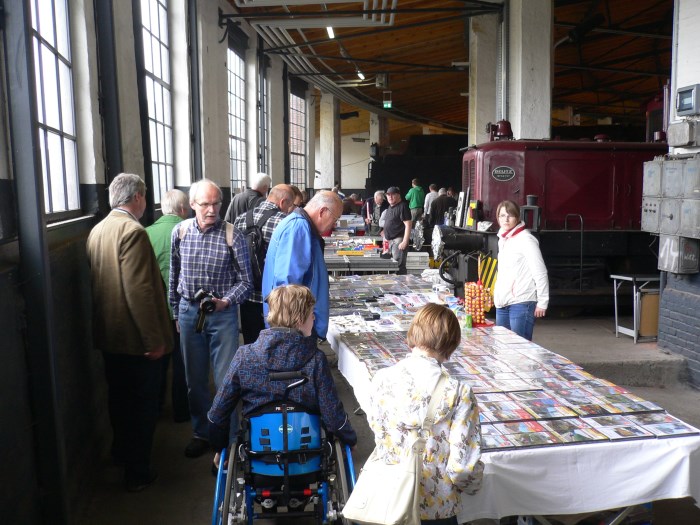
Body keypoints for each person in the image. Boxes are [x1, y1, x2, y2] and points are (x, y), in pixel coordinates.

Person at [86, 173, 173, 492]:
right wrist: (154, 340)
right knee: (142, 406)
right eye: (145, 196)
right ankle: (138, 471)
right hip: (136, 340)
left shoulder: (98, 230)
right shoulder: (132, 232)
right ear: (137, 197)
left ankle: (121, 452)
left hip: (110, 336)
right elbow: (140, 291)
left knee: (119, 399)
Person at [208, 284, 357, 461]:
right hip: (307, 455)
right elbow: (333, 415)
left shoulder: (244, 356)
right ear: (299, 319)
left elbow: (218, 413)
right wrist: (350, 439)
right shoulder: (316, 359)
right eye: (312, 313)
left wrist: (220, 448)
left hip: (258, 454)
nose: (314, 318)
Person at [368, 303, 483, 524]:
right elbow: (461, 468)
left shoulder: (381, 378)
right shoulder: (458, 392)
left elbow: (379, 433)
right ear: (451, 343)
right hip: (437, 508)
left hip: (390, 499)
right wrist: (477, 485)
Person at [169, 179, 253, 459]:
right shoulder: (180, 233)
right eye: (205, 204)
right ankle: (201, 432)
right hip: (189, 312)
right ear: (192, 205)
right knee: (194, 381)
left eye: (216, 203)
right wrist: (176, 313)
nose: (212, 209)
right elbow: (174, 277)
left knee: (226, 379)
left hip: (222, 314)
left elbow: (246, 282)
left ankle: (228, 442)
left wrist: (225, 301)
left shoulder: (233, 235)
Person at [262, 191, 343, 340]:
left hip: (298, 325)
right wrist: (296, 330)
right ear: (323, 211)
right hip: (295, 329)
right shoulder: (298, 227)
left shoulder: (299, 224)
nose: (334, 224)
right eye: (335, 218)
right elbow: (288, 286)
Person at [145, 188, 191, 423]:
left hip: (156, 310)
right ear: (183, 208)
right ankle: (182, 411)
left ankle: (156, 408)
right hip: (184, 307)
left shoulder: (146, 234)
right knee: (183, 361)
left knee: (158, 362)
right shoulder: (190, 231)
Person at [233, 184, 295, 344]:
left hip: (247, 295)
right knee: (275, 344)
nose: (289, 210)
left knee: (251, 343)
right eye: (290, 206)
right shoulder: (284, 222)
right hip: (274, 298)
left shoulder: (241, 219)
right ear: (283, 202)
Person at [493, 200, 549, 341]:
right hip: (502, 303)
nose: (506, 219)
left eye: (510, 215)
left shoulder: (526, 240)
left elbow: (540, 271)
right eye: (502, 215)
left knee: (519, 348)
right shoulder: (503, 239)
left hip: (522, 302)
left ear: (517, 217)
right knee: (502, 347)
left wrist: (542, 302)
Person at [382, 186, 412, 275]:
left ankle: (401, 283)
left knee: (398, 266)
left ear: (398, 195)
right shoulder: (390, 207)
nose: (390, 197)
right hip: (388, 241)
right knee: (391, 266)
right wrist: (385, 233)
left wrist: (405, 241)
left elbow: (408, 225)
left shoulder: (403, 206)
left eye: (393, 194)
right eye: (388, 195)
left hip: (398, 241)